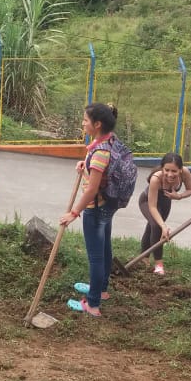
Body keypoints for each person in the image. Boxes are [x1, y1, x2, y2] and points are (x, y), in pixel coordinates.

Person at [59, 103, 130, 317]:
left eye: (85, 120)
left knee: (96, 258)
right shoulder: (110, 140)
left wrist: (73, 213)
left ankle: (92, 304)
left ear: (97, 124)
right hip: (108, 204)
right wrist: (86, 166)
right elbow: (100, 171)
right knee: (105, 249)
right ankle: (101, 289)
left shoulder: (99, 153)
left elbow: (90, 191)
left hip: (96, 208)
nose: (83, 123)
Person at [138, 152, 191, 275]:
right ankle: (159, 265)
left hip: (165, 202)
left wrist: (178, 196)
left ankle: (144, 258)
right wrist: (164, 226)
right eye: (166, 170)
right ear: (162, 168)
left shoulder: (185, 173)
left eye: (174, 171)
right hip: (147, 201)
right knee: (157, 226)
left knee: (152, 228)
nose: (170, 174)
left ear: (180, 169)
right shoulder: (156, 178)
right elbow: (152, 206)